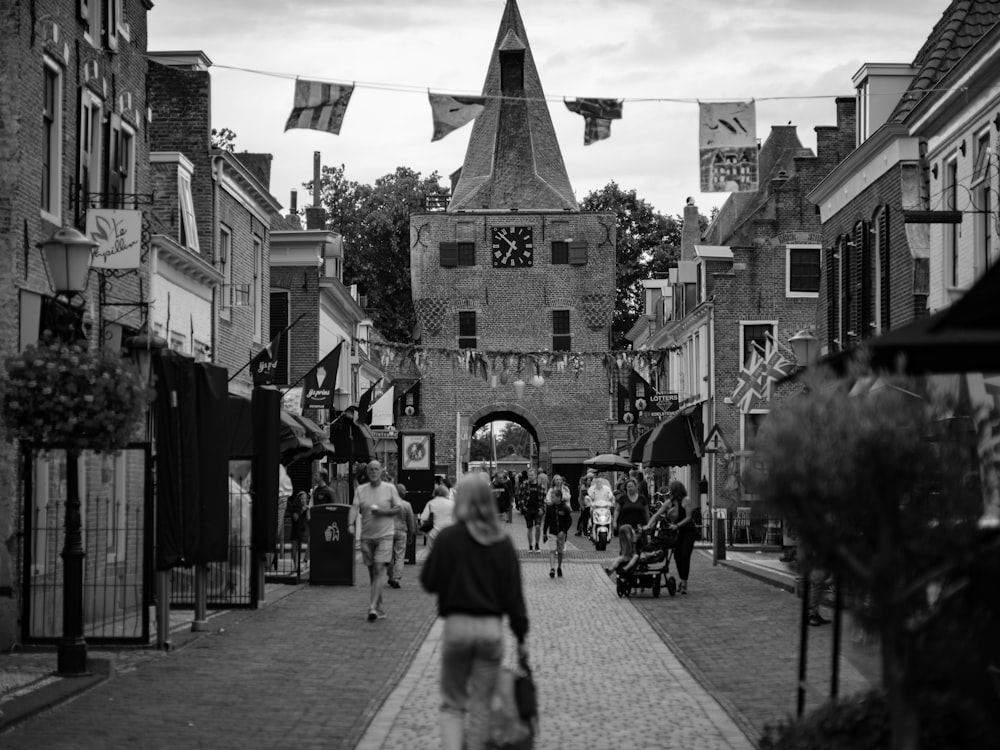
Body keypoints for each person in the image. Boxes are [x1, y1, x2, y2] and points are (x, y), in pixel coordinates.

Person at [420, 474, 529, 750]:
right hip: (490, 629)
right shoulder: (501, 541)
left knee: (453, 703)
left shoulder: (449, 538)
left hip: (457, 626)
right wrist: (521, 636)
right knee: (481, 702)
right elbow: (514, 596)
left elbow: (428, 580)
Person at [349, 460, 403, 622]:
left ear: (381, 471)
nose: (373, 472)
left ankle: (372, 607)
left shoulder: (390, 489)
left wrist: (383, 512)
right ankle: (379, 606)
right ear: (367, 472)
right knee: (373, 573)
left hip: (385, 536)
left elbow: (398, 508)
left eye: (376, 469)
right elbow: (353, 508)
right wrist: (350, 524)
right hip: (367, 537)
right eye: (370, 469)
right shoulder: (361, 490)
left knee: (379, 568)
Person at [646, 480, 697, 594]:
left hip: (688, 531)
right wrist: (648, 525)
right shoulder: (669, 502)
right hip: (677, 532)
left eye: (672, 490)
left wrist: (677, 525)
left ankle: (684, 583)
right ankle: (682, 579)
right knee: (677, 556)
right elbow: (657, 514)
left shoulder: (686, 500)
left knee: (684, 556)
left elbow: (689, 517)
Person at [605, 478, 650, 577]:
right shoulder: (622, 499)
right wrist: (615, 522)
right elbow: (617, 510)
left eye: (632, 486)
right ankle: (625, 571)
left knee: (639, 548)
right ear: (626, 488)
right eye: (628, 487)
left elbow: (646, 513)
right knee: (626, 550)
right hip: (625, 529)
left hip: (639, 528)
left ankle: (638, 570)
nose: (630, 488)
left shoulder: (642, 499)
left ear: (636, 487)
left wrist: (649, 524)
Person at [542, 475, 573, 578]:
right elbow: (546, 521)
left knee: (560, 551)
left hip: (561, 533)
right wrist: (544, 532)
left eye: (553, 497)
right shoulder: (550, 508)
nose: (551, 498)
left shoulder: (565, 508)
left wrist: (564, 531)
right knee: (552, 550)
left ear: (559, 498)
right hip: (552, 532)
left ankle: (559, 567)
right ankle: (552, 568)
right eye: (551, 497)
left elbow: (569, 521)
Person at [389, 483, 416, 589]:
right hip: (401, 531)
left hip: (388, 531)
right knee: (399, 556)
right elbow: (411, 522)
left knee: (389, 556)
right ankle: (396, 577)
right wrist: (411, 534)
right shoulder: (407, 505)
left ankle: (390, 576)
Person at [516, 468, 545, 552]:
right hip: (528, 509)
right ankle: (530, 546)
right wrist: (523, 507)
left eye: (531, 475)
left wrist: (542, 508)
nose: (530, 477)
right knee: (529, 528)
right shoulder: (524, 484)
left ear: (535, 475)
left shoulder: (540, 485)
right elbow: (519, 496)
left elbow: (544, 498)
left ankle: (537, 544)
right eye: (529, 475)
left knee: (538, 526)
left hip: (538, 509)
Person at [288, 490, 311, 574]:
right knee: (294, 549)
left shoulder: (306, 508)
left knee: (301, 548)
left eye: (305, 498)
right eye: (302, 498)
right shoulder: (294, 507)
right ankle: (295, 566)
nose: (304, 500)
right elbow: (295, 518)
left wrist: (308, 511)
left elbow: (308, 519)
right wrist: (302, 510)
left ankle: (301, 565)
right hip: (295, 530)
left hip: (303, 529)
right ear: (298, 499)